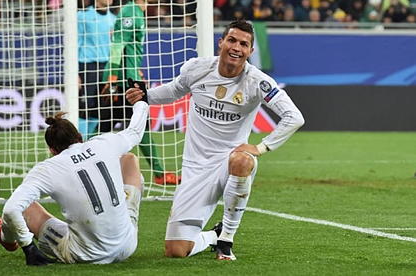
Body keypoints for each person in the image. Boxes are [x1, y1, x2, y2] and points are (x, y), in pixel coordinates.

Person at [126, 19, 305, 260]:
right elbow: (174, 90)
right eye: (232, 40)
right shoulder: (197, 69)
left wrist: (260, 147)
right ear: (221, 43)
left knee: (243, 159)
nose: (236, 47)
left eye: (244, 44)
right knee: (176, 251)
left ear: (250, 51)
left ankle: (226, 241)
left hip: (228, 163)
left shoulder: (257, 82)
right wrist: (145, 96)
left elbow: (294, 117)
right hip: (195, 168)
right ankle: (213, 235)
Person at [0, 100, 149, 265]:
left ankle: (7, 239)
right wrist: (141, 101)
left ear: (52, 150)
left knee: (25, 207)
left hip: (87, 255)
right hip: (128, 244)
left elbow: (11, 209)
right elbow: (135, 131)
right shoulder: (104, 143)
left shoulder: (48, 168)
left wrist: (28, 247)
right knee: (129, 160)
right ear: (80, 137)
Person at [100, 0, 181, 185]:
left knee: (105, 126)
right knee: (136, 125)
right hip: (123, 82)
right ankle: (159, 173)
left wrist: (137, 71)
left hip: (128, 77)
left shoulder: (135, 12)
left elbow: (129, 48)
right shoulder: (131, 12)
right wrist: (112, 75)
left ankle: (75, 161)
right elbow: (118, 45)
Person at [77, 0, 116, 140]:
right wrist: (75, 73)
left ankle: (89, 144)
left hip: (106, 68)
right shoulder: (82, 16)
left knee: (101, 109)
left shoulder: (114, 19)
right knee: (84, 108)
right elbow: (75, 44)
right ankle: (79, 144)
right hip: (88, 67)